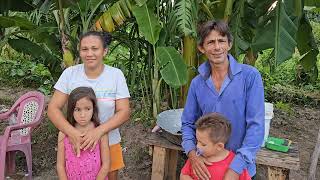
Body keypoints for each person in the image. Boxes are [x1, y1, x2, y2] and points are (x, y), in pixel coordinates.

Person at [181, 20, 265, 180]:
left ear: (229, 44)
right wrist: (193, 155)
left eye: (221, 41)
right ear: (201, 48)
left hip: (241, 171)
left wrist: (236, 168)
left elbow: (256, 126)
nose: (217, 47)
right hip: (206, 169)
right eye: (211, 42)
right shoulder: (197, 83)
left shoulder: (250, 77)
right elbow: (187, 123)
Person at [48, 31, 130, 180]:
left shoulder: (115, 75)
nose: (89, 53)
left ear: (104, 51)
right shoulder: (70, 74)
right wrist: (72, 132)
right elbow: (53, 109)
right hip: (76, 144)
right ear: (79, 51)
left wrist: (98, 132)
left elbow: (124, 112)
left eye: (95, 48)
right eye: (84, 49)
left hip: (109, 142)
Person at [56, 87, 110, 180]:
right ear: (71, 110)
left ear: (94, 108)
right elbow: (60, 166)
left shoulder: (100, 133)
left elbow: (106, 165)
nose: (82, 115)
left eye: (87, 109)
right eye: (77, 109)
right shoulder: (63, 134)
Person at [180, 113, 251, 180]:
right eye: (197, 141)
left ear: (219, 146)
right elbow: (183, 176)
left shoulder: (234, 163)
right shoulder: (196, 158)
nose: (197, 146)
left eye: (203, 144)